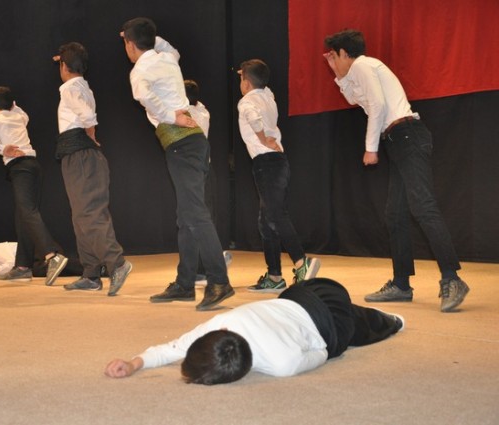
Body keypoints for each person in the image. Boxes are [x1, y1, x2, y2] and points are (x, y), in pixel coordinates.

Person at [323, 29, 470, 313]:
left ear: (344, 52)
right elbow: (356, 100)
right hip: (400, 139)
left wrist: (370, 148)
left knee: (423, 207)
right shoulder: (360, 70)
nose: (333, 60)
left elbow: (377, 105)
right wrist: (338, 75)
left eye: (334, 56)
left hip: (406, 135)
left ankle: (452, 278)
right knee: (395, 214)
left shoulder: (364, 64)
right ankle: (402, 284)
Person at [120, 17, 234, 311]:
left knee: (195, 213)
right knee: (186, 217)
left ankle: (219, 281)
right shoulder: (168, 58)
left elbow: (143, 95)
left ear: (130, 44)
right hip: (190, 144)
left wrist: (171, 117)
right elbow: (170, 49)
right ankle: (185, 283)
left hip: (182, 143)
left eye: (126, 43)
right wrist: (148, 35)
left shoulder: (140, 69)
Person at [104, 277, 404, 385]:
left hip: (330, 317)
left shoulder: (282, 364)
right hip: (302, 292)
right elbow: (170, 350)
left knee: (359, 333)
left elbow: (323, 351)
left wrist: (134, 363)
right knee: (356, 319)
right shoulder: (220, 326)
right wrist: (132, 364)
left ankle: (393, 321)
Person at [52, 42, 132, 296]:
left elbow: (87, 115)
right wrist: (90, 135)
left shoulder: (69, 88)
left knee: (89, 214)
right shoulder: (84, 86)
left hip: (81, 157)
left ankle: (117, 263)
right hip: (80, 155)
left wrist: (90, 134)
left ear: (64, 66)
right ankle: (91, 274)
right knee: (81, 215)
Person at [236, 59, 321, 293]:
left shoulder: (246, 101)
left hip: (265, 163)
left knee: (275, 215)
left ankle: (301, 262)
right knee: (266, 221)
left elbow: (253, 118)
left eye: (242, 79)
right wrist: (250, 72)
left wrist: (263, 139)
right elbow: (263, 85)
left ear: (246, 82)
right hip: (278, 162)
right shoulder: (268, 96)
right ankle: (274, 276)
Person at [0, 87, 68, 286]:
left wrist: (1, 149)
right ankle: (23, 267)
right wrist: (9, 102)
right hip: (33, 166)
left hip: (20, 168)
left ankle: (52, 255)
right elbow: (22, 113)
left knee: (27, 212)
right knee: (23, 216)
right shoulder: (19, 116)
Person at [184, 79, 232, 286]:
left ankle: (206, 268)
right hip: (207, 168)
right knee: (206, 216)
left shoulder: (185, 116)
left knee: (194, 219)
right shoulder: (203, 112)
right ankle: (209, 262)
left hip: (192, 171)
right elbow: (195, 102)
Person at [0, 241, 98, 279]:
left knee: (39, 270)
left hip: (37, 251)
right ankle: (91, 268)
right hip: (33, 258)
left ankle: (95, 267)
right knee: (43, 271)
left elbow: (13, 264)